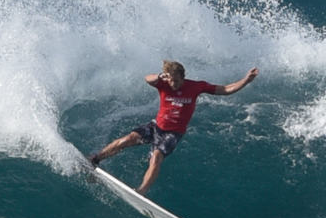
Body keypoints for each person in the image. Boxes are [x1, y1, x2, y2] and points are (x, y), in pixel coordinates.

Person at [89, 60, 259, 194]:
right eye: (170, 79)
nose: (173, 83)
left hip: (173, 133)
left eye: (176, 80)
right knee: (128, 139)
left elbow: (226, 89)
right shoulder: (163, 83)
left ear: (183, 77)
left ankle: (141, 191)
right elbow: (147, 78)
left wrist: (246, 80)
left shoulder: (196, 86)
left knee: (156, 158)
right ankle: (96, 159)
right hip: (156, 126)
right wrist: (159, 77)